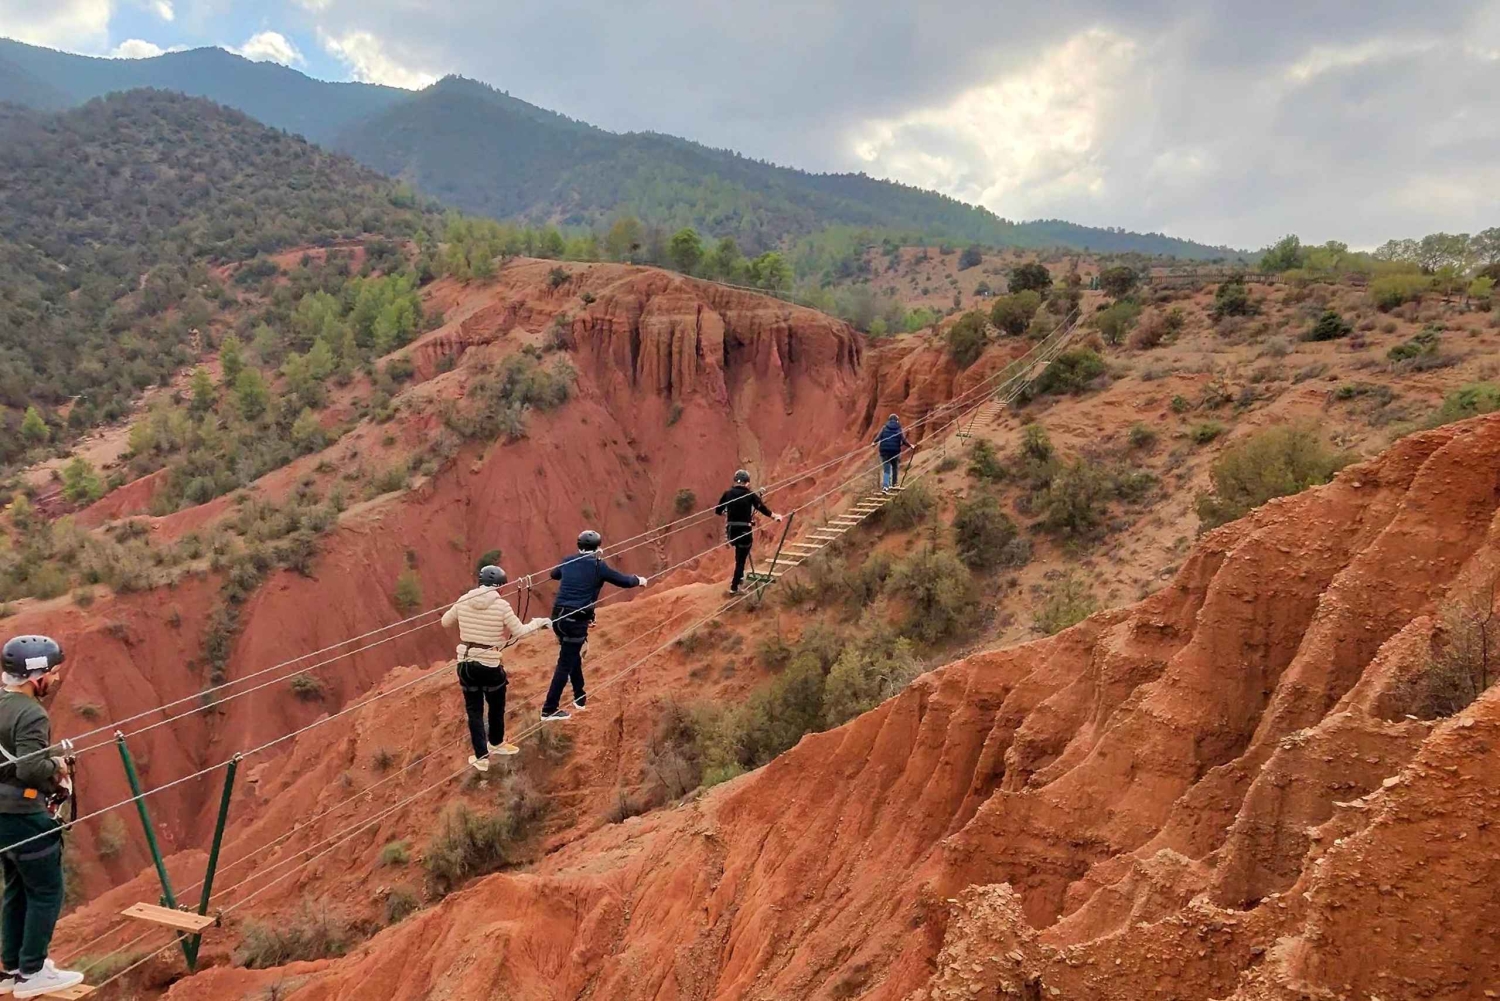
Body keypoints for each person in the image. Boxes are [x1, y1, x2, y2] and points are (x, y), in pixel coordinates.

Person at [0, 636, 84, 999]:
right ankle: (32, 972)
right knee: (48, 890)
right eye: (53, 672)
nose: (57, 679)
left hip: (1, 817)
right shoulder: (31, 712)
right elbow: (31, 768)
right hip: (23, 814)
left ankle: (12, 968)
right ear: (36, 677)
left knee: (17, 887)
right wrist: (58, 764)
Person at [441, 566, 550, 772]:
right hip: (489, 663)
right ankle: (496, 743)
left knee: (474, 710)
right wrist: (538, 623)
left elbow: (445, 622)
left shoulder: (464, 599)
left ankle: (481, 757)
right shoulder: (501, 606)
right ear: (500, 586)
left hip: (464, 662)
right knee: (496, 704)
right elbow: (520, 632)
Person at [541, 531, 647, 721]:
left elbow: (554, 574)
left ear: (578, 545)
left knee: (572, 655)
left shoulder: (568, 560)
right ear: (598, 547)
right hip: (576, 620)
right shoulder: (599, 566)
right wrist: (639, 580)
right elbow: (623, 581)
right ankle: (549, 709)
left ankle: (580, 697)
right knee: (565, 663)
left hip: (558, 618)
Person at [715, 469, 782, 595]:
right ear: (747, 483)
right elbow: (761, 508)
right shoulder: (750, 495)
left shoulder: (727, 494)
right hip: (744, 530)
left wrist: (728, 512)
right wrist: (775, 516)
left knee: (738, 553)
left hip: (731, 532)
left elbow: (718, 510)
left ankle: (739, 577)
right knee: (741, 559)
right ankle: (734, 587)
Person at [873, 413, 911, 493]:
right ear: (897, 420)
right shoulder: (898, 429)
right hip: (895, 451)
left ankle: (885, 487)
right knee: (894, 467)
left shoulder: (884, 428)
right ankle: (894, 484)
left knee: (887, 470)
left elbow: (879, 437)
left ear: (889, 420)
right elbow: (903, 441)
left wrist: (874, 442)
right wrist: (911, 446)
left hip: (884, 451)